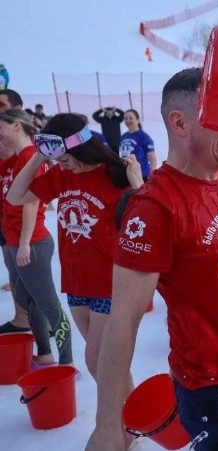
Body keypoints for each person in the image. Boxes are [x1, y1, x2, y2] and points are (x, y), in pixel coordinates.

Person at [86, 68, 218, 451]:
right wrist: (107, 424)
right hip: (217, 389)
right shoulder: (154, 208)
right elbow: (122, 322)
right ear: (180, 123)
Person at [8, 113, 143, 384]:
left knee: (97, 360)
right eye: (58, 160)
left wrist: (138, 184)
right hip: (76, 283)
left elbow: (145, 223)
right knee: (104, 366)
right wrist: (39, 157)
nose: (63, 165)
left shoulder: (116, 174)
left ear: (81, 149)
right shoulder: (63, 175)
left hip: (108, 282)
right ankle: (127, 409)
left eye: (65, 159)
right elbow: (15, 196)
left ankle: (119, 411)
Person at [0, 109, 73, 366]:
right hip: (14, 241)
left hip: (31, 242)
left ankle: (66, 362)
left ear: (16, 126)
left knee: (48, 304)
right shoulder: (16, 158)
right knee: (27, 300)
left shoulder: (31, 157)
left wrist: (23, 244)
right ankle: (45, 354)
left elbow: (31, 202)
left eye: (0, 127)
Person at [0, 88, 28, 330]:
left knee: (29, 274)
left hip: (18, 216)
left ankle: (44, 323)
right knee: (11, 264)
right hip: (4, 214)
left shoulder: (23, 146)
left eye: (1, 105)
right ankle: (21, 317)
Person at [119, 109, 157, 180]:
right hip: (127, 175)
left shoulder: (144, 137)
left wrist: (153, 174)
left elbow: (152, 157)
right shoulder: (123, 137)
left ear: (137, 120)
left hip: (142, 176)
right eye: (126, 118)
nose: (128, 121)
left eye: (131, 118)